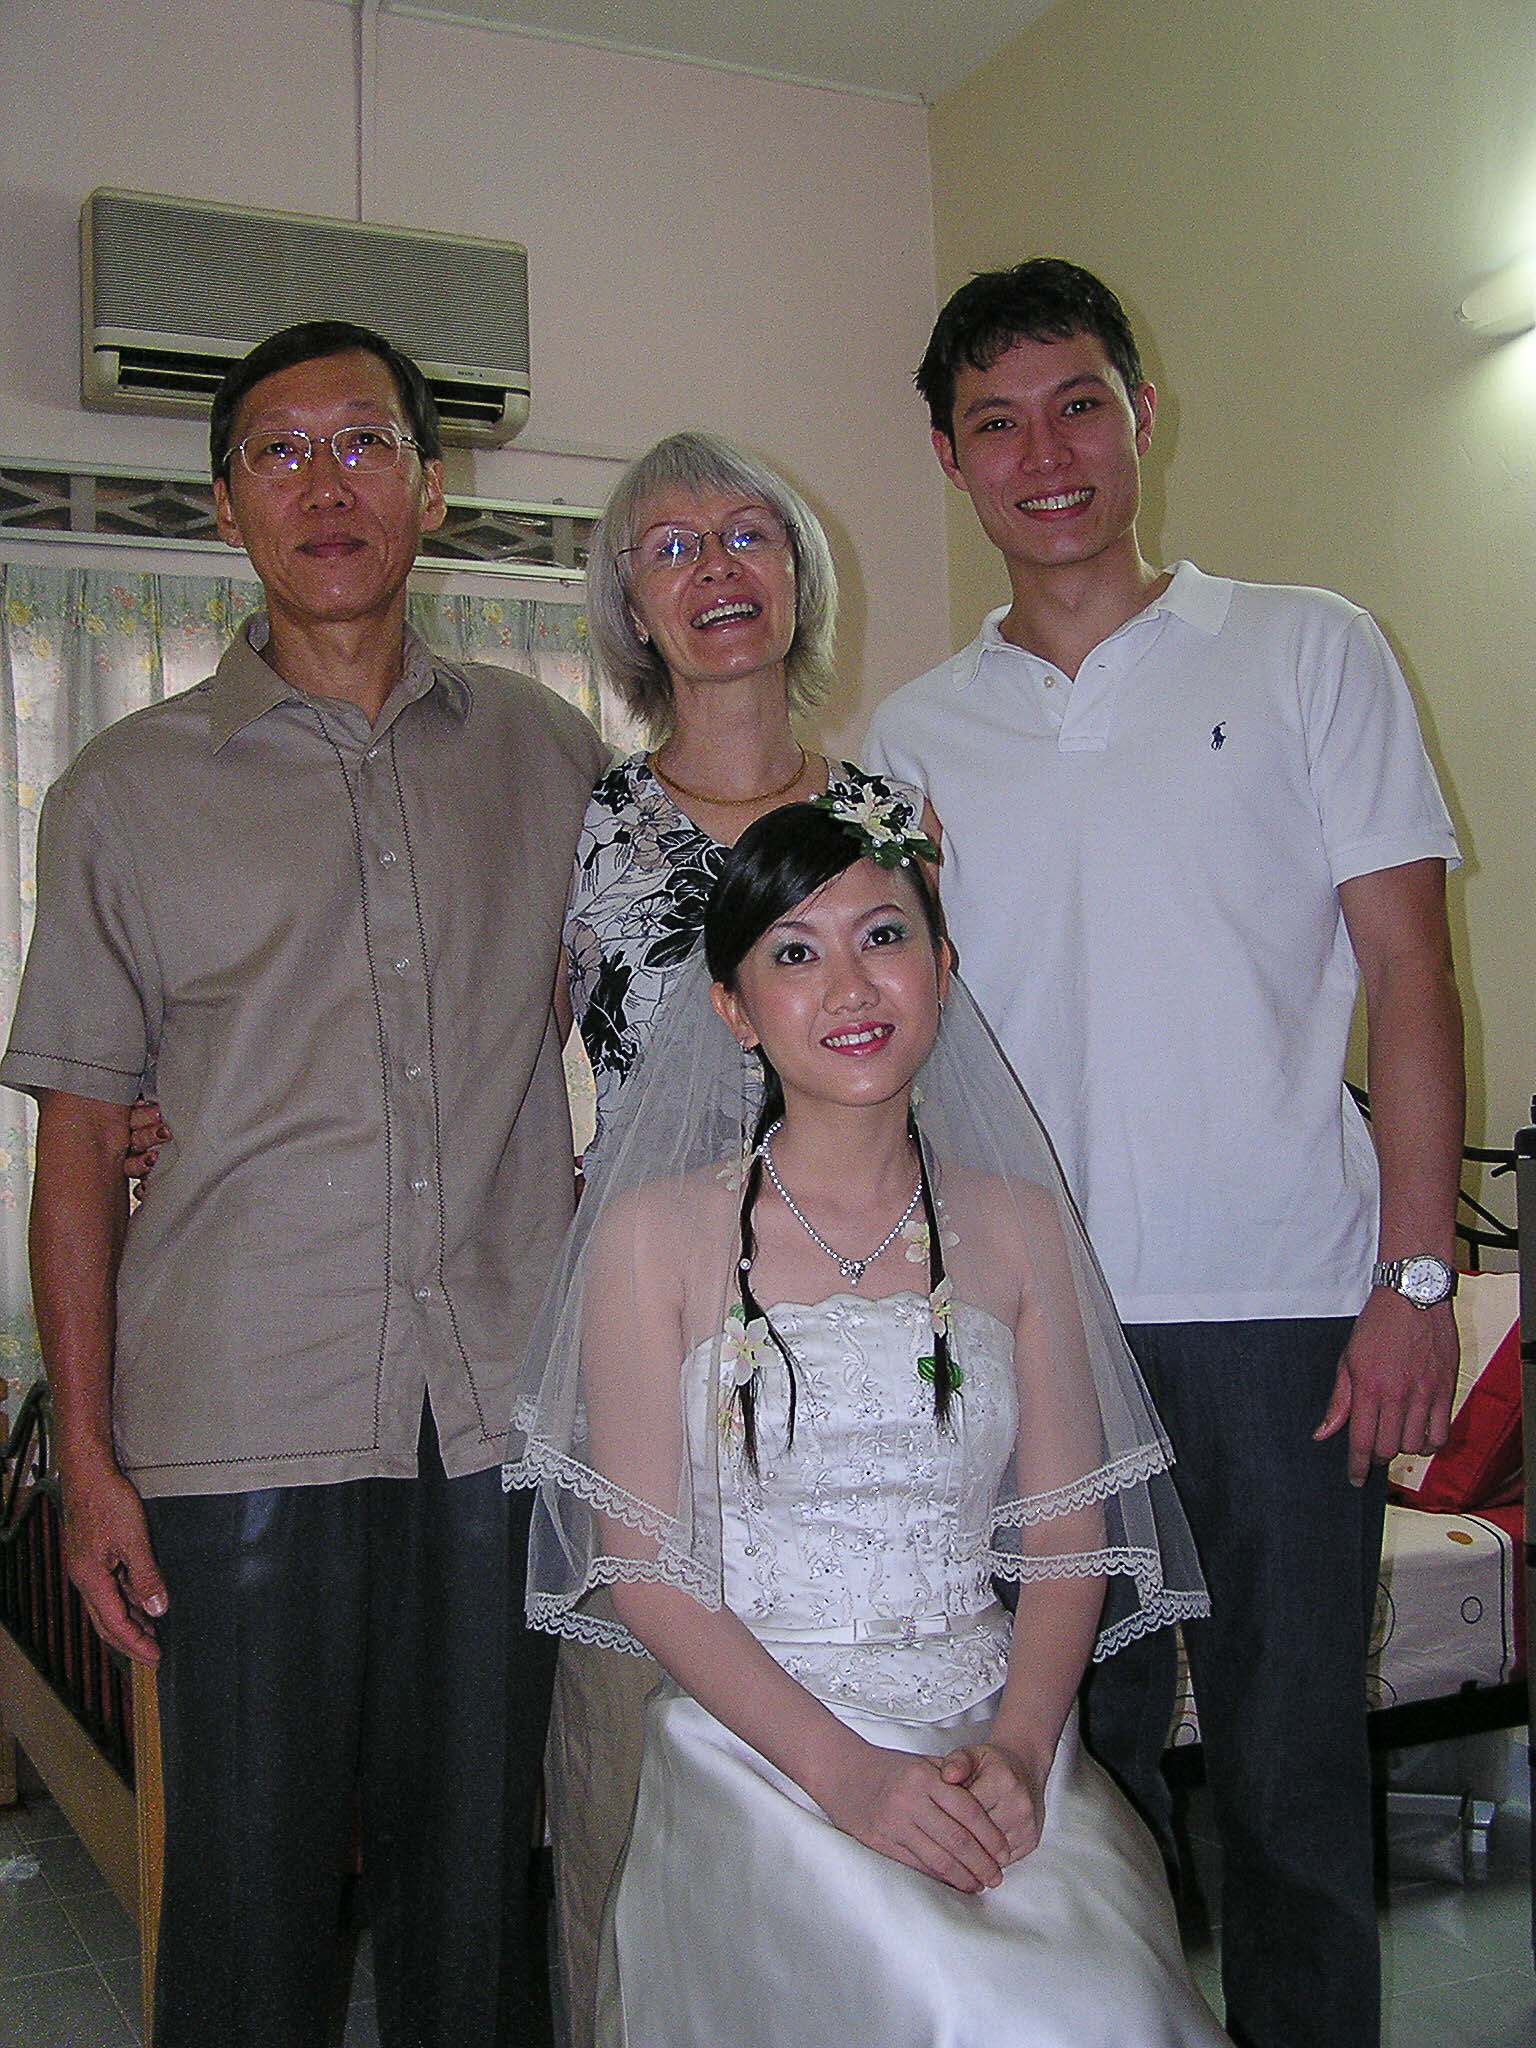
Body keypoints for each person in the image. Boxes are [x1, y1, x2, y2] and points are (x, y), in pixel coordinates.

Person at [863, 258, 1464, 2048]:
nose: (1044, 453)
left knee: (1293, 1782)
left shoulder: (1308, 647)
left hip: (1289, 1318)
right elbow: (892, 1044)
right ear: (952, 461)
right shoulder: (911, 736)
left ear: (1141, 415)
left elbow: (1410, 972)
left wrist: (1415, 1276)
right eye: (996, 424)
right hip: (1037, 1337)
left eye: (1078, 406)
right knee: (1075, 1795)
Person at [3, 319, 608, 2047]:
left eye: (363, 443)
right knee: (245, 1917)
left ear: (430, 485)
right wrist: (91, 1461)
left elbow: (651, 1033)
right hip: (237, 1426)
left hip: (495, 1415)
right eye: (279, 451)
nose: (325, 483)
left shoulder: (551, 754)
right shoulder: (124, 791)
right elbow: (76, 1142)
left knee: (475, 1896)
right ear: (223, 506)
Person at [510, 795, 1226, 2047]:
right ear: (734, 1007)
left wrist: (1020, 1753)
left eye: (883, 935)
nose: (849, 985)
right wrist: (847, 1775)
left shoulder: (1020, 1224)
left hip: (993, 1734)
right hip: (764, 1752)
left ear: (942, 967)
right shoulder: (651, 1237)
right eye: (794, 951)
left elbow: (1067, 1539)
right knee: (955, 1998)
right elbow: (644, 1569)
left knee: (1103, 2002)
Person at [550, 428, 932, 2038]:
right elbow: (493, 1073)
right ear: (631, 607)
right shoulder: (584, 823)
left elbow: (940, 1074)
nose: (716, 567)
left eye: (749, 534)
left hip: (861, 1363)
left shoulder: (886, 811)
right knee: (624, 1788)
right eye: (671, 545)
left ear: (799, 575)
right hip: (653, 1362)